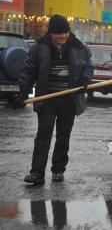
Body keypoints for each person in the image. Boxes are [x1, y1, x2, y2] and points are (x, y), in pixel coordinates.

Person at [13, 14, 93, 185]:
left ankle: (58, 170)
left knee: (63, 136)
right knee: (43, 134)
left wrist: (85, 79)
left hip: (69, 99)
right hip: (47, 99)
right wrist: (24, 91)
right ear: (50, 33)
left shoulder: (79, 47)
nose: (63, 36)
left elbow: (87, 66)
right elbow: (29, 70)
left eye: (65, 33)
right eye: (58, 34)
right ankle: (37, 173)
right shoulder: (39, 48)